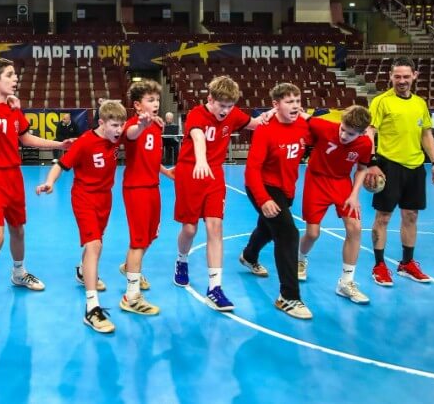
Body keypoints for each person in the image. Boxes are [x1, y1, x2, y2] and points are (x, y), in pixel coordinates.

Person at [0, 40, 74, 336]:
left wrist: (59, 145)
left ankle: (19, 273)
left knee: (18, 231)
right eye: (10, 75)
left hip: (14, 176)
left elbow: (26, 138)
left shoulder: (13, 110)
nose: (15, 80)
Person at [173, 76, 274, 312]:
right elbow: (198, 137)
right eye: (222, 105)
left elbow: (254, 124)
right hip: (191, 172)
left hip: (215, 175)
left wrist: (269, 115)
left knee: (215, 226)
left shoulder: (233, 114)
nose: (226, 111)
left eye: (230, 106)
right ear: (210, 99)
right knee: (190, 229)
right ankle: (181, 260)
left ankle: (215, 288)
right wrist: (200, 160)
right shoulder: (197, 114)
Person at [36, 100, 127, 334]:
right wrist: (49, 182)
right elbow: (61, 164)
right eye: (114, 125)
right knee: (94, 245)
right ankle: (92, 308)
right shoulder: (85, 142)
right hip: (84, 197)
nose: (119, 130)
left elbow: (135, 131)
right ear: (101, 123)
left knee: (94, 243)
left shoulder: (116, 138)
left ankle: (81, 270)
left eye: (121, 125)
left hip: (105, 199)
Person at [365, 57, 434, 286]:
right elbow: (370, 131)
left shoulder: (419, 103)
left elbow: (426, 134)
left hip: (415, 166)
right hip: (389, 165)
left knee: (411, 215)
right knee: (383, 217)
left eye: (406, 76)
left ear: (414, 76)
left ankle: (407, 263)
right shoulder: (381, 102)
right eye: (397, 76)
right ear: (390, 76)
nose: (402, 81)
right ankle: (379, 266)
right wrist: (371, 161)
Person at [239, 83, 312, 319]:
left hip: (287, 188)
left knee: (267, 228)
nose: (295, 106)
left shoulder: (304, 125)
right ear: (276, 105)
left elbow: (330, 133)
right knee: (288, 233)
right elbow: (252, 170)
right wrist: (263, 200)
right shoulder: (265, 129)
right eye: (289, 102)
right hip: (263, 186)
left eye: (297, 101)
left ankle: (249, 256)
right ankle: (288, 297)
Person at [298, 105, 372, 304]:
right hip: (316, 180)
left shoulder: (365, 144)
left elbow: (362, 168)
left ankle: (346, 282)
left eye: (351, 134)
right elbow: (301, 115)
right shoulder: (324, 127)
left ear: (362, 132)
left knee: (355, 228)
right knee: (313, 233)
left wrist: (354, 195)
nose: (344, 136)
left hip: (342, 183)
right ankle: (300, 259)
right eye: (343, 129)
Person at [117, 79, 174, 317]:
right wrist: (141, 124)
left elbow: (148, 156)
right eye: (151, 100)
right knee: (138, 241)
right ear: (138, 106)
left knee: (150, 236)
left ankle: (128, 266)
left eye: (157, 99)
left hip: (153, 187)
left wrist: (165, 171)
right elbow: (131, 135)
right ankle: (131, 297)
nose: (156, 103)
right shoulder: (133, 125)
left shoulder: (157, 126)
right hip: (136, 189)